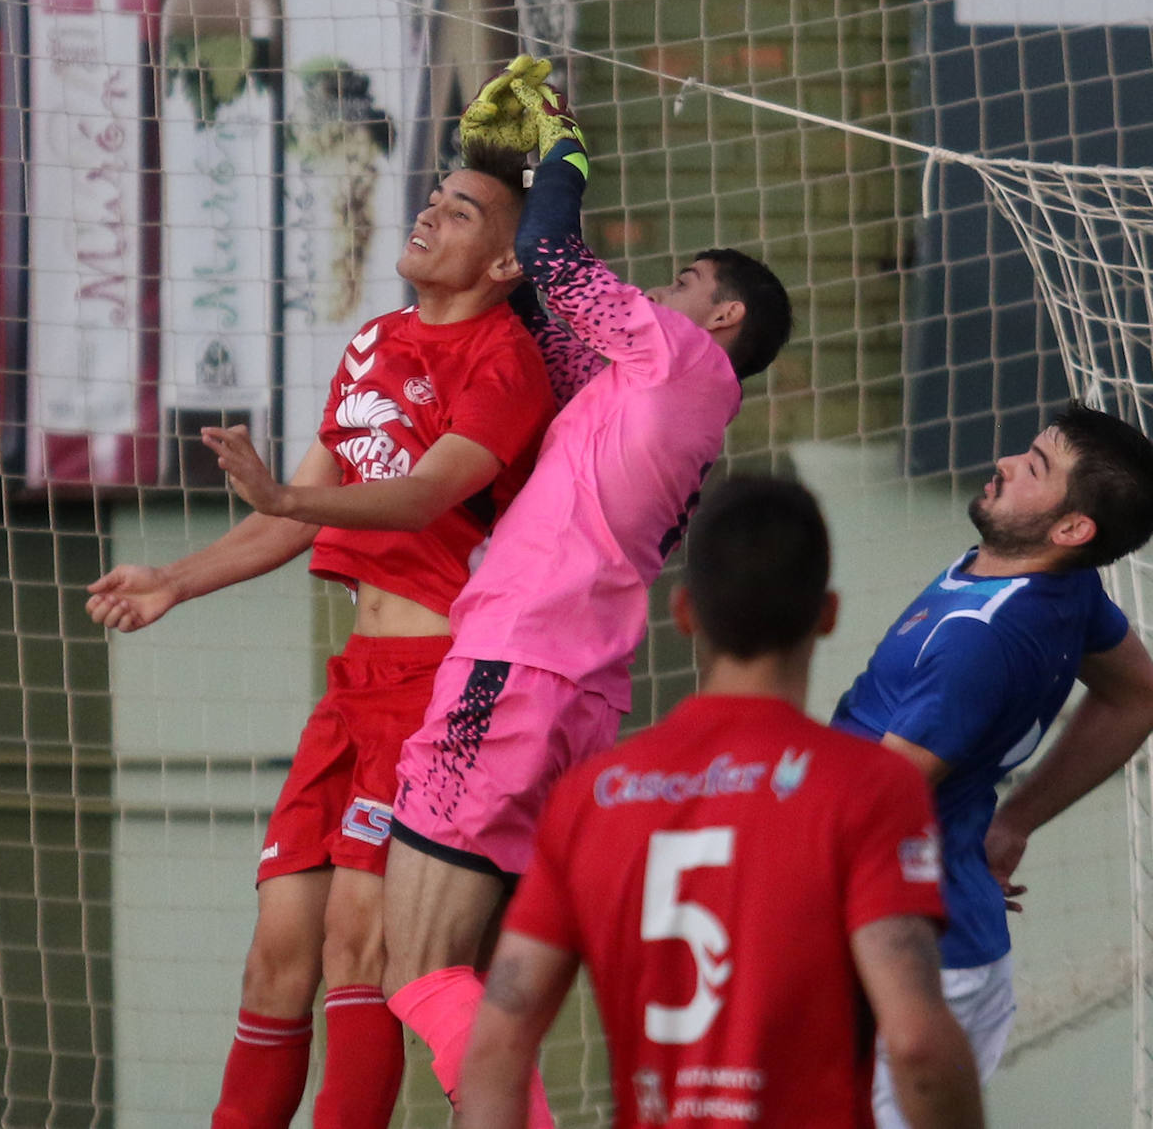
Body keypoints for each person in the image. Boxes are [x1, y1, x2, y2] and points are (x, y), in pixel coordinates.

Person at [85, 141, 556, 1129]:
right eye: (434, 199)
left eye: (463, 212)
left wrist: (288, 488)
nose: (428, 215)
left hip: (438, 689)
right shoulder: (374, 341)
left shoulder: (506, 362)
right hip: (354, 684)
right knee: (278, 952)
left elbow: (427, 492)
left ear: (507, 263)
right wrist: (172, 580)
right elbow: (298, 516)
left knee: (361, 941)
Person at [379, 62, 794, 1124]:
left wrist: (561, 151)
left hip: (517, 666)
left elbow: (557, 259)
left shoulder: (687, 361)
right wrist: (491, 178)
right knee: (489, 980)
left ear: (726, 312)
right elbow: (532, 314)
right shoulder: (645, 384)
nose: (662, 287)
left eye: (686, 278)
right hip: (573, 690)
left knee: (416, 971)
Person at [457, 474, 985, 1129]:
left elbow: (495, 1048)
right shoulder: (870, 787)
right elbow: (917, 1046)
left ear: (683, 614)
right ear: (827, 614)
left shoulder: (589, 796)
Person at [831, 401, 1153, 1127]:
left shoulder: (980, 641)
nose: (1006, 463)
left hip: (919, 956)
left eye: (1035, 467)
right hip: (923, 927)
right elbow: (1138, 694)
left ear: (1073, 530)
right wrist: (1015, 823)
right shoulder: (1057, 586)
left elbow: (865, 803)